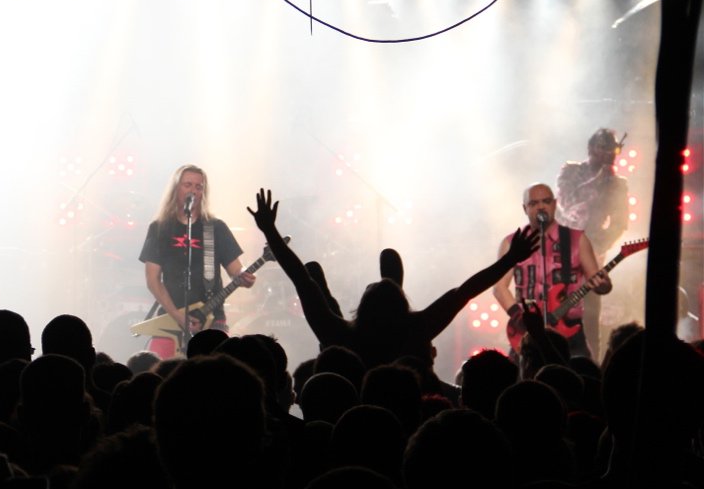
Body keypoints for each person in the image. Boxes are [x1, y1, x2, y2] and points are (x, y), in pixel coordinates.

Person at [248, 188, 539, 370]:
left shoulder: (341, 334)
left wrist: (270, 231)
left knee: (313, 278)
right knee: (324, 279)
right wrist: (509, 259)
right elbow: (465, 291)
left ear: (364, 307)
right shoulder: (418, 328)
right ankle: (386, 286)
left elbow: (300, 279)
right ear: (402, 304)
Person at [138, 165, 255, 356]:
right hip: (170, 318)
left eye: (199, 187)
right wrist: (178, 316)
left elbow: (236, 269)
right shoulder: (159, 228)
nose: (193, 190)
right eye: (188, 185)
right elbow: (152, 280)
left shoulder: (216, 228)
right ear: (176, 189)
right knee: (161, 370)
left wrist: (244, 275)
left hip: (211, 317)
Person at [493, 183, 611, 360]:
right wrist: (520, 318)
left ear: (555, 204)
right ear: (525, 209)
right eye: (534, 203)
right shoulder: (512, 243)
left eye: (546, 201)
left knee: (580, 375)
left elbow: (598, 282)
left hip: (570, 329)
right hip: (527, 330)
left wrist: (604, 284)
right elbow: (499, 288)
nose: (541, 207)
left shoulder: (577, 239)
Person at [556, 128, 629, 357]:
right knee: (557, 312)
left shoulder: (617, 184)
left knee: (589, 316)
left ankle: (591, 366)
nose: (610, 154)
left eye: (613, 149)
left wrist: (599, 247)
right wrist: (598, 179)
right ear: (591, 149)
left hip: (592, 256)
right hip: (560, 253)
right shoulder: (571, 171)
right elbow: (567, 204)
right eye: (604, 148)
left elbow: (620, 223)